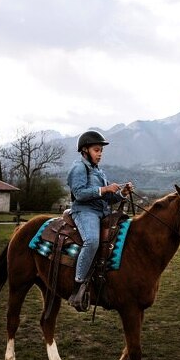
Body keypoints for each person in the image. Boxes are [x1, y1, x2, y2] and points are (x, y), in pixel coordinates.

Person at [67, 130, 133, 311]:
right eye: (97, 150)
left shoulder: (98, 171)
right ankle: (78, 285)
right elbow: (79, 194)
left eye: (101, 151)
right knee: (92, 241)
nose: (100, 154)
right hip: (84, 211)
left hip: (101, 212)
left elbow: (107, 199)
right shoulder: (78, 168)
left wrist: (121, 194)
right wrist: (104, 190)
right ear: (85, 150)